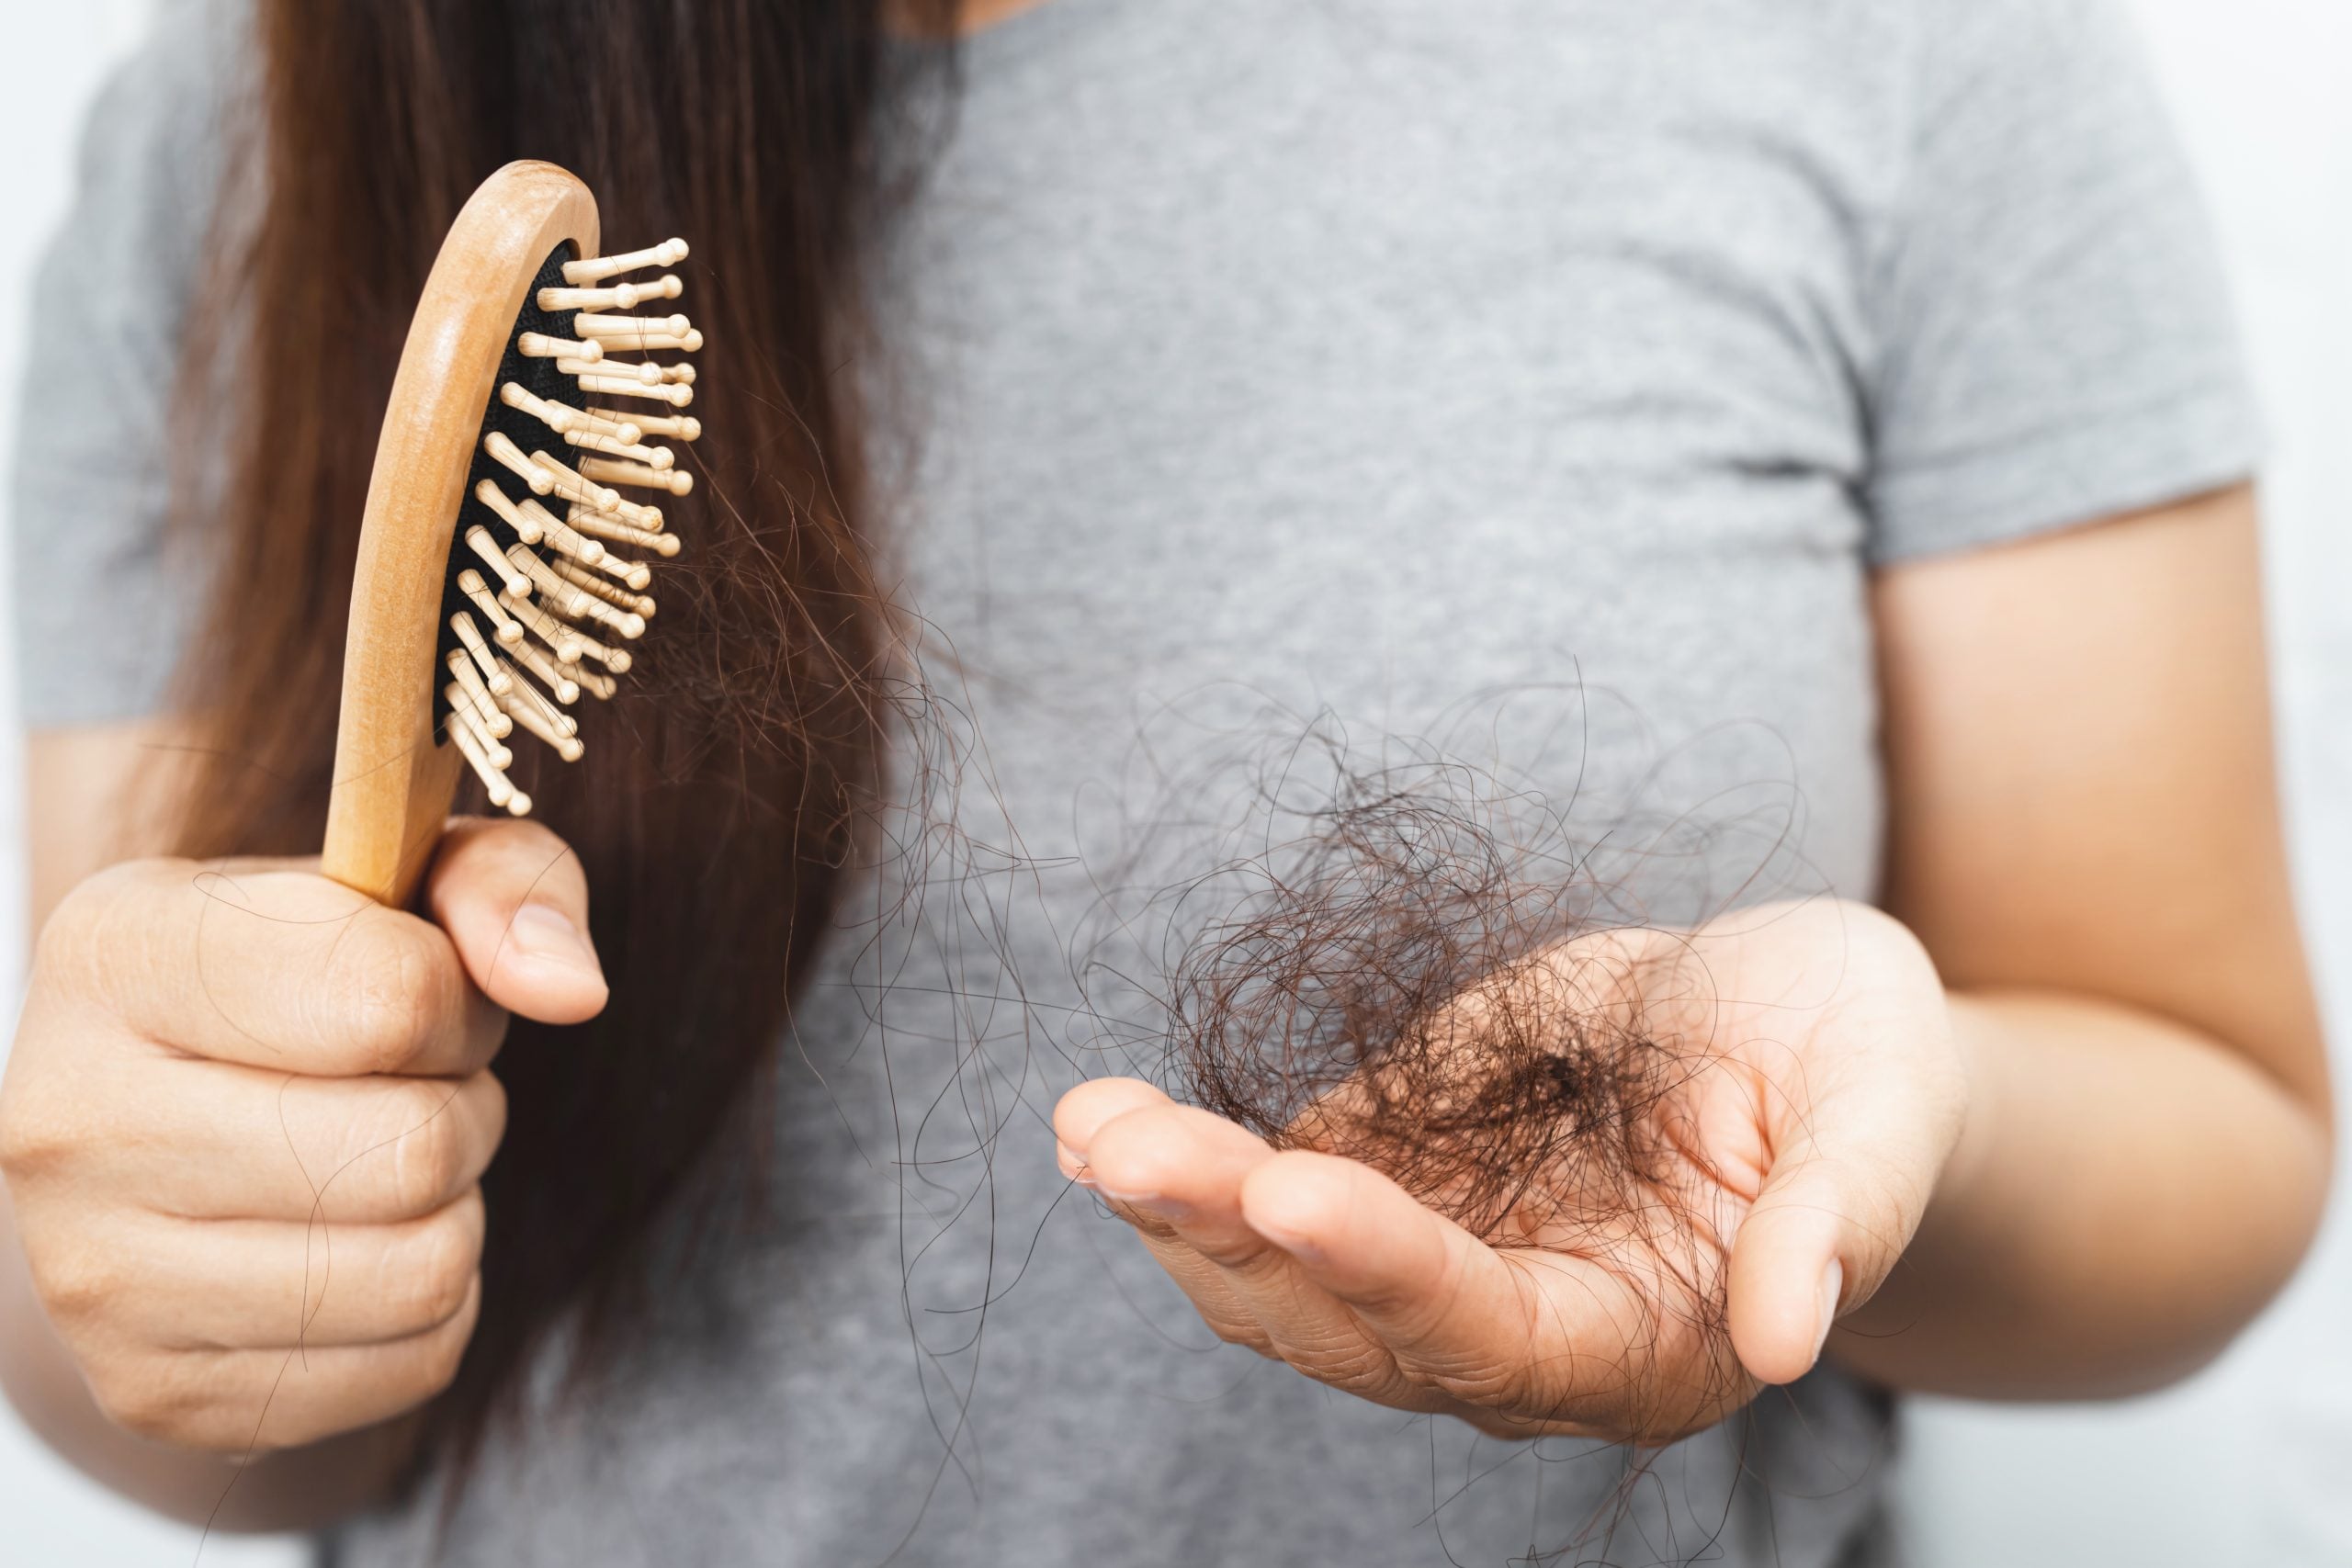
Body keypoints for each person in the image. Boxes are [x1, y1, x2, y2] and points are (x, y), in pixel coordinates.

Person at [0, 0, 2329, 1563]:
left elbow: (2205, 1120)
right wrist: (151, 1245)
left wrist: (1868, 1145)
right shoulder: (255, 126)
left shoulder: (1900, 50)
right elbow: (193, 1387)